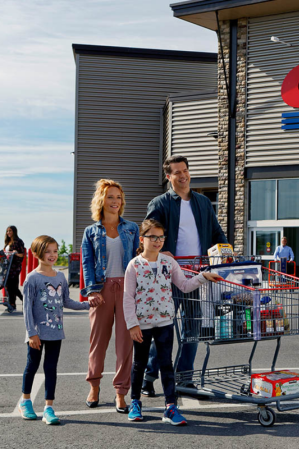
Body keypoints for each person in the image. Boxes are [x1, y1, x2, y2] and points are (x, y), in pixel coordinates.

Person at [141, 155, 228, 397]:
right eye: (177, 172)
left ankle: (185, 378)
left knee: (193, 328)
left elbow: (216, 232)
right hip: (169, 277)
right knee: (164, 329)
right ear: (168, 177)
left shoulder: (202, 202)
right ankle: (148, 376)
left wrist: (226, 252)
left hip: (197, 276)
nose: (183, 175)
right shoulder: (160, 203)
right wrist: (161, 249)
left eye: (185, 170)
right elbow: (148, 232)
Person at [123, 219, 222, 424]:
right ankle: (135, 402)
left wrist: (203, 277)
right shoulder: (134, 265)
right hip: (142, 324)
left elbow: (184, 285)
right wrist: (132, 324)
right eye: (153, 237)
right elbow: (128, 297)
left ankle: (170, 407)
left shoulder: (169, 262)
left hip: (165, 322)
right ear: (142, 239)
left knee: (166, 363)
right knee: (139, 364)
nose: (158, 241)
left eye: (161, 237)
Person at [20, 235, 100, 424]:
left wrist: (88, 304)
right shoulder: (32, 279)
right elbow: (26, 309)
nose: (52, 255)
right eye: (47, 251)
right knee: (32, 366)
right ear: (37, 253)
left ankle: (49, 407)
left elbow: (66, 301)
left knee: (51, 369)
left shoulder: (60, 277)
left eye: (55, 251)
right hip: (37, 333)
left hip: (55, 332)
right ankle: (26, 401)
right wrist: (31, 333)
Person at [81, 179, 139, 413]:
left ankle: (120, 392)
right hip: (101, 290)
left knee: (126, 345)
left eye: (118, 197)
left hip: (127, 290)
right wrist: (91, 291)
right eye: (111, 197)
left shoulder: (132, 228)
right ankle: (94, 386)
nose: (116, 201)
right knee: (98, 343)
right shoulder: (91, 231)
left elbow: (139, 260)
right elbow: (87, 262)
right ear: (101, 200)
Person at [3, 226, 25, 313]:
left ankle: (23, 300)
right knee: (8, 285)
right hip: (7, 267)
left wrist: (15, 253)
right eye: (7, 231)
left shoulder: (18, 241)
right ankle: (12, 304)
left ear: (14, 231)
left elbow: (22, 254)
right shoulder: (8, 242)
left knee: (13, 286)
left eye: (10, 231)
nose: (8, 232)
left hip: (15, 267)